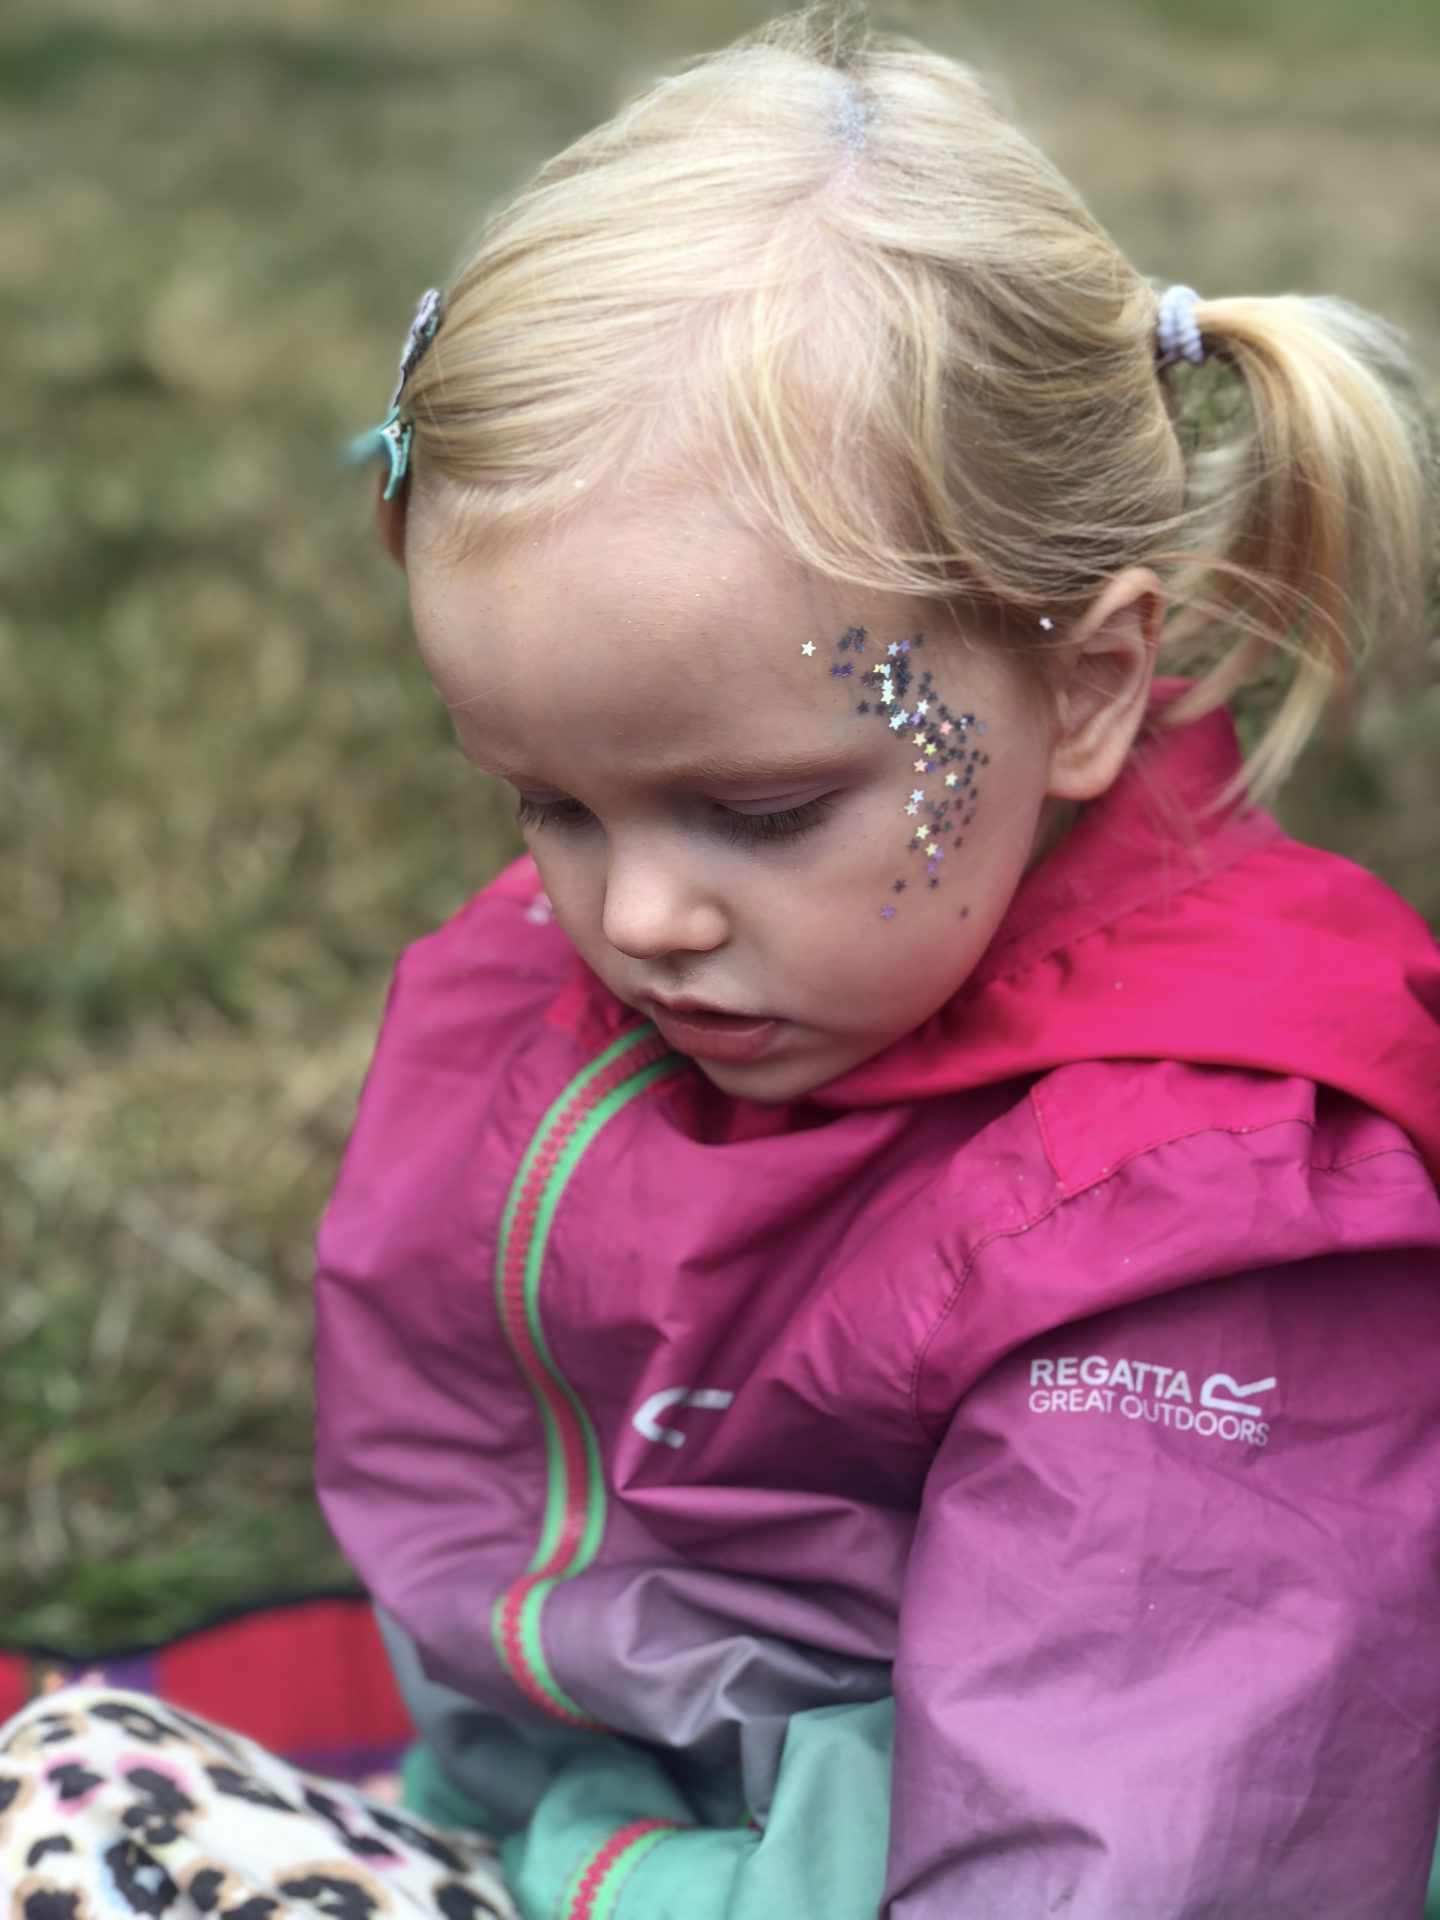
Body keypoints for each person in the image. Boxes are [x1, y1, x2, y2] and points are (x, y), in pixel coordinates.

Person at [4, 11, 1438, 1918]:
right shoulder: (677, 976)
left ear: (1087, 684)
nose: (637, 917)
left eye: (758, 814)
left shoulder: (1195, 1228)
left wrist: (585, 1873)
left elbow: (1127, 1861)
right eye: (547, 800)